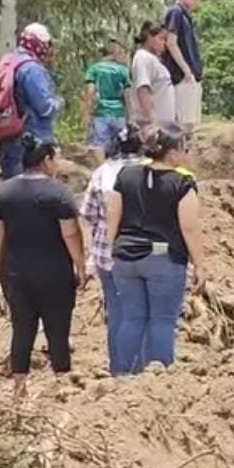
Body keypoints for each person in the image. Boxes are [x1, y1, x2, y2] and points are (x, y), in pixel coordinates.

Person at [0, 135, 86, 399]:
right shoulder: (58, 193)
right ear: (47, 160)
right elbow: (70, 234)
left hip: (15, 272)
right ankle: (61, 383)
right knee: (58, 328)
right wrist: (80, 266)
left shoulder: (4, 192)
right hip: (55, 272)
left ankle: (20, 387)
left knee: (22, 327)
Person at [107, 126, 206, 375]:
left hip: (126, 257)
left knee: (132, 318)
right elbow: (189, 227)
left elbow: (113, 215)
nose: (187, 154)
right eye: (184, 149)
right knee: (162, 320)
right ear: (172, 153)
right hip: (163, 258)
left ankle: (122, 375)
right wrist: (200, 265)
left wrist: (110, 249)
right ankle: (160, 377)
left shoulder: (126, 175)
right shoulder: (182, 183)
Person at [80, 124, 146, 375]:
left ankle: (119, 368)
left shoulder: (102, 173)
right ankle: (142, 367)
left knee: (117, 311)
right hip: (144, 252)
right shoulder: (151, 171)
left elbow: (88, 214)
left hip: (107, 254)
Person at [0, 23, 63, 180]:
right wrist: (59, 103)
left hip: (8, 135)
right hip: (32, 139)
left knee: (13, 186)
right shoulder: (31, 69)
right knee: (35, 187)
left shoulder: (10, 62)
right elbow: (45, 108)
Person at [163, 0, 210, 134]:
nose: (197, 1)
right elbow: (171, 42)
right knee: (184, 125)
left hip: (191, 76)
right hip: (182, 77)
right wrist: (186, 70)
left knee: (192, 125)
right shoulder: (176, 12)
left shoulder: (187, 17)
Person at [84, 39, 131, 164]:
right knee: (121, 143)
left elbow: (90, 91)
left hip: (101, 112)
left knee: (99, 144)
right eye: (121, 52)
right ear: (114, 52)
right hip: (119, 113)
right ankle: (119, 171)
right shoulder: (123, 71)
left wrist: (88, 112)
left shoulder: (94, 69)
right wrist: (130, 115)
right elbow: (127, 94)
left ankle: (103, 169)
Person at [130, 23, 176, 131]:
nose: (164, 43)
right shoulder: (142, 58)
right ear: (149, 37)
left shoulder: (154, 60)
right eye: (161, 38)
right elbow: (143, 90)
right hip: (152, 125)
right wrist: (153, 121)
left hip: (164, 124)